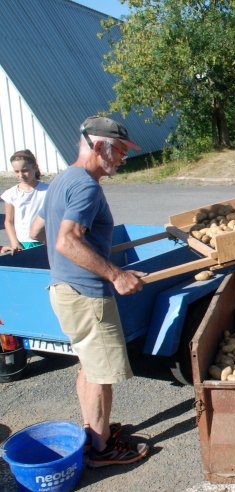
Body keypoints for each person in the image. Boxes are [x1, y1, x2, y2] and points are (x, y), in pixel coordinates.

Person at [30, 116, 149, 468]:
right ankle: (102, 449)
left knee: (88, 364)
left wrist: (83, 252)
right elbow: (66, 240)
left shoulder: (62, 180)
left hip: (64, 289)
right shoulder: (87, 187)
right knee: (101, 373)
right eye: (120, 150)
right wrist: (115, 274)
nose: (123, 158)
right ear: (98, 147)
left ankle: (93, 430)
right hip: (87, 295)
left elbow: (38, 231)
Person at [1, 150, 48, 255]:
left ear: (35, 167)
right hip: (22, 244)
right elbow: (9, 221)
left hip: (45, 241)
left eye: (25, 170)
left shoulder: (48, 191)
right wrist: (14, 242)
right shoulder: (11, 194)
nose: (21, 175)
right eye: (17, 171)